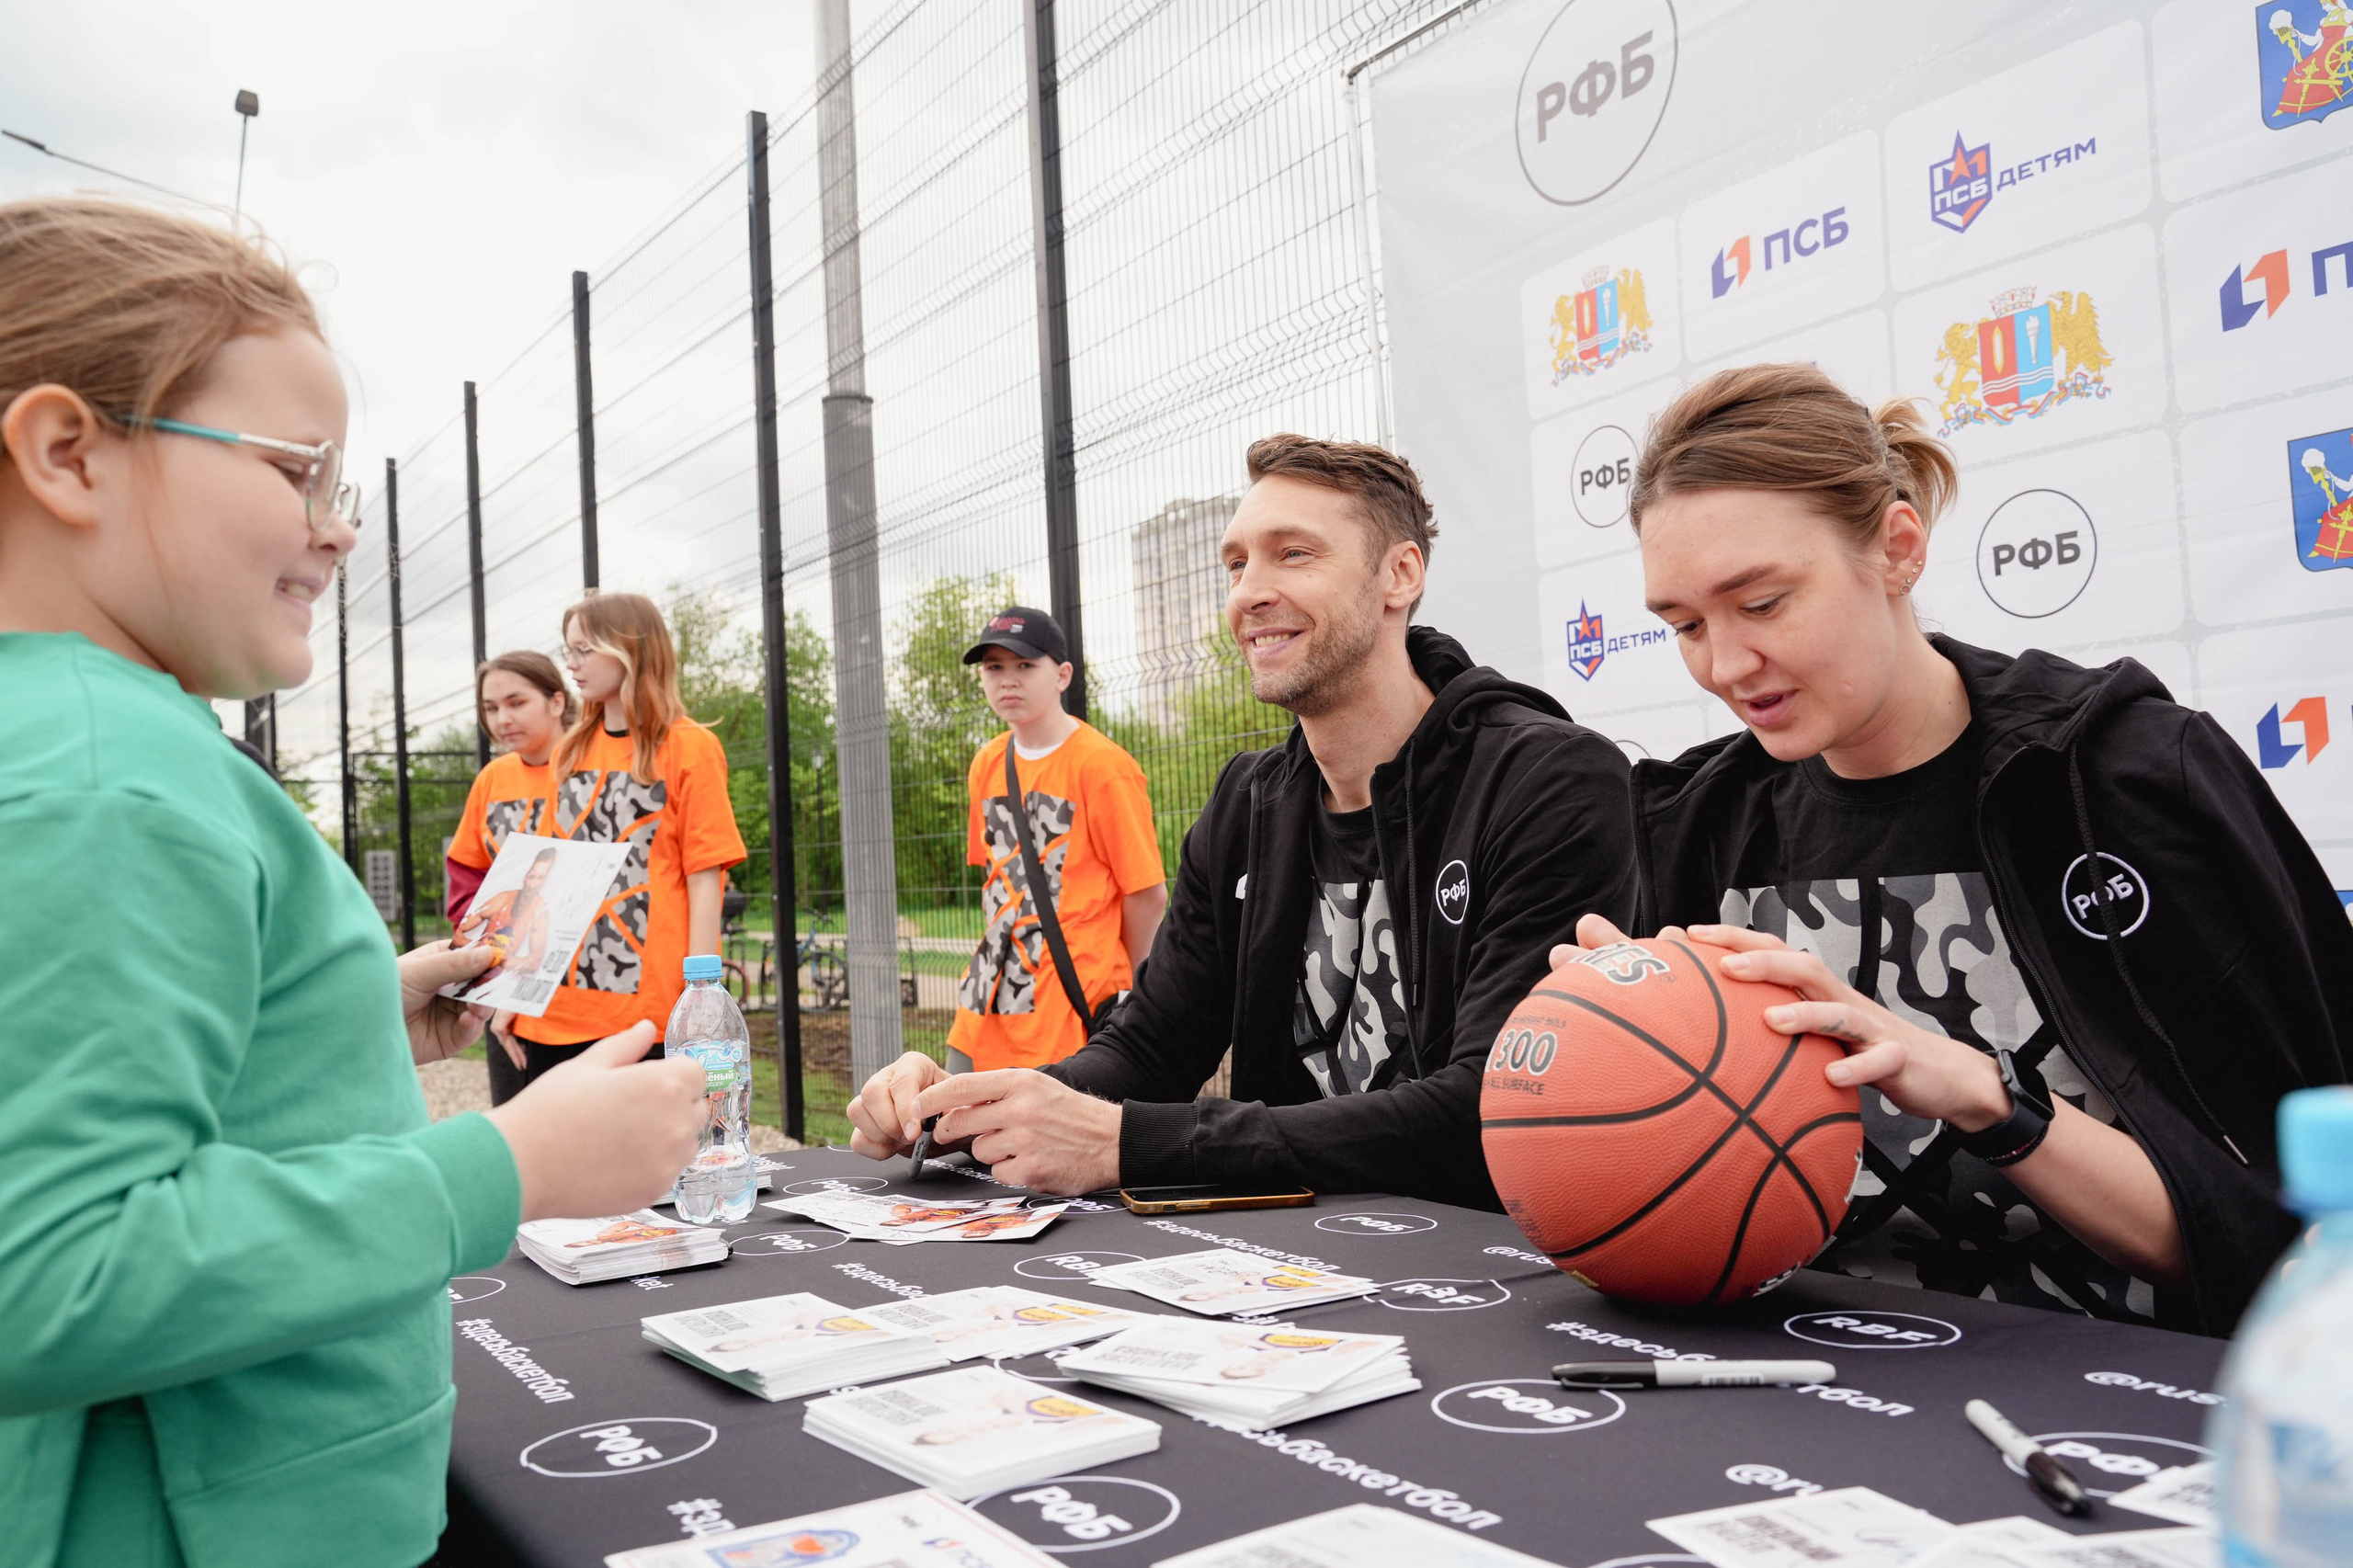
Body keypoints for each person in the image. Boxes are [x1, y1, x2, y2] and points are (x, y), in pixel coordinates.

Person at [0, 197, 709, 1568]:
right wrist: (506, 1164)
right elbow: (48, 1270)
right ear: (69, 453)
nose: (336, 531)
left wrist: (343, 1017)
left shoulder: (85, 741)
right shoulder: (111, 775)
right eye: (296, 469)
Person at [1568, 362, 2353, 1335]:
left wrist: (1982, 1092)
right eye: (1684, 624)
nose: (1724, 666)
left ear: (1896, 548)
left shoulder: (2125, 778)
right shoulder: (1697, 817)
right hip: (1791, 1368)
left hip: (2121, 1388)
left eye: (1763, 602)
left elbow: (2285, 1240)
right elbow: (1680, 1210)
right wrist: (1605, 1071)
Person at [848, 434, 1640, 1207]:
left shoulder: (1547, 781)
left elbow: (1486, 1106)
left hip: (1476, 1276)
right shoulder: (1248, 801)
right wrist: (969, 1110)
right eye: (1237, 563)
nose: (1249, 590)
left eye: (1293, 554)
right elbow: (1150, 1046)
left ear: (1400, 575)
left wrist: (1128, 1143)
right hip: (1283, 1277)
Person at [490, 592, 748, 1088]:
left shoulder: (689, 746)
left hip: (645, 1017)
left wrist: (703, 997)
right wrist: (511, 990)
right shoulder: (569, 752)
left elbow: (705, 877)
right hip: (552, 1011)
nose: (572, 664)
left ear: (629, 648)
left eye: (584, 650)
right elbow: (550, 874)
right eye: (569, 651)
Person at [949, 605, 1166, 1073]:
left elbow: (1146, 894)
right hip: (986, 1000)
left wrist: (1133, 992)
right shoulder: (986, 764)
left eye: (1025, 666)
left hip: (1073, 1006)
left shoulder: (1103, 768)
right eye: (994, 668)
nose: (1008, 680)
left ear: (1063, 675)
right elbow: (994, 883)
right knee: (952, 1133)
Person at [448, 651, 574, 1101]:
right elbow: (467, 881)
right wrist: (501, 984)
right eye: (491, 707)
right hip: (510, 1001)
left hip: (587, 1004)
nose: (502, 718)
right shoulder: (492, 780)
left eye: (516, 703)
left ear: (556, 702)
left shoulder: (596, 774)